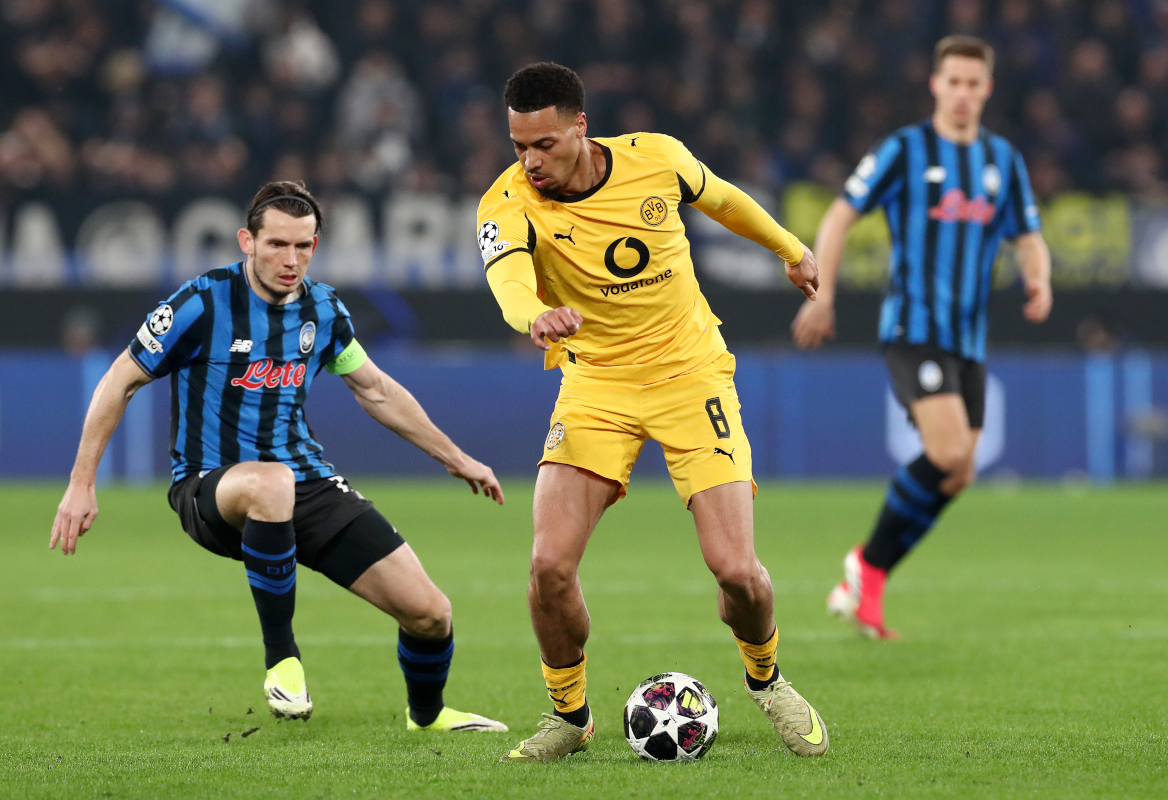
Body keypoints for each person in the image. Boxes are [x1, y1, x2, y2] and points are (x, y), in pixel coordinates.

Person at [50, 181, 509, 733]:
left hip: (304, 480)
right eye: (277, 245)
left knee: (431, 613)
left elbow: (376, 390)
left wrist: (454, 456)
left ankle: (428, 717)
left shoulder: (324, 308)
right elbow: (119, 381)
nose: (291, 260)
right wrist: (82, 482)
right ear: (248, 240)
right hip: (210, 485)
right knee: (270, 483)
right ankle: (282, 659)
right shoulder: (202, 301)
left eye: (303, 246)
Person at [479, 62, 828, 762]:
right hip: (597, 383)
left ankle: (767, 678)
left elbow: (724, 199)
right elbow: (508, 278)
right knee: (548, 565)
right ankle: (569, 715)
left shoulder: (656, 160)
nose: (530, 160)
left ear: (581, 125)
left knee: (737, 571)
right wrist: (535, 316)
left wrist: (790, 249)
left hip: (690, 374)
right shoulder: (507, 203)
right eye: (519, 145)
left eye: (544, 144)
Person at [791, 36, 1053, 638]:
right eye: (952, 82)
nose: (962, 94)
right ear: (936, 85)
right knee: (949, 452)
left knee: (960, 473)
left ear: (987, 89)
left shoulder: (1002, 160)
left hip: (969, 339)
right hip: (914, 328)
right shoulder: (904, 150)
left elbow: (1029, 233)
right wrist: (823, 293)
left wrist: (1038, 279)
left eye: (973, 83)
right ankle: (867, 569)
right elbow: (839, 215)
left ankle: (869, 569)